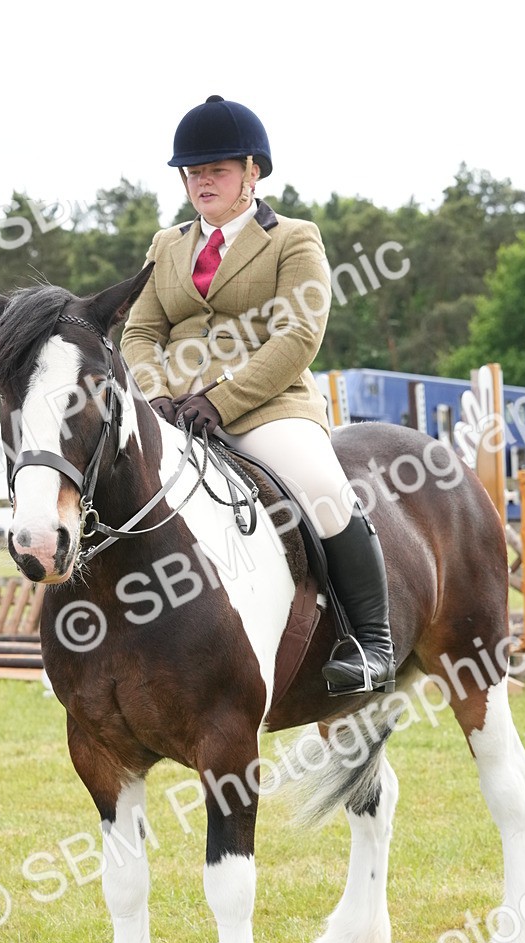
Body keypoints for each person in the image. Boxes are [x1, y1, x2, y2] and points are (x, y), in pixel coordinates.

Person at [121, 95, 394, 695]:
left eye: (215, 170)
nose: (201, 182)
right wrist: (154, 394)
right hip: (173, 411)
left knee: (323, 490)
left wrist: (221, 400)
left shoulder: (294, 239)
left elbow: (299, 334)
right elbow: (140, 330)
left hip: (267, 408)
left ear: (253, 171)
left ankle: (372, 642)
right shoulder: (166, 245)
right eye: (192, 172)